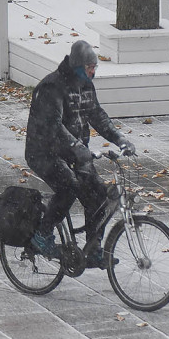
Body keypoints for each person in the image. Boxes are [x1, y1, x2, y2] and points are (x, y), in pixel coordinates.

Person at [24, 40, 135, 267]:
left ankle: (93, 248)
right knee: (69, 186)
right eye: (89, 67)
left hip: (75, 153)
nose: (93, 72)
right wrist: (79, 148)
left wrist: (119, 138)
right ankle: (42, 235)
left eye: (95, 67)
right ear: (76, 66)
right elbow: (54, 127)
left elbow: (97, 116)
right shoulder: (51, 88)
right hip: (43, 152)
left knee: (98, 195)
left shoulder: (86, 86)